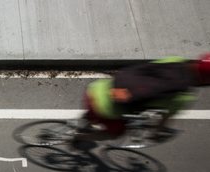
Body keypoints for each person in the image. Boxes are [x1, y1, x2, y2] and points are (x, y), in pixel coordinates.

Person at [72, 53, 210, 148]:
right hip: (104, 109)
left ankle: (87, 119)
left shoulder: (176, 61)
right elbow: (164, 119)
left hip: (96, 88)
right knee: (114, 134)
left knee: (93, 114)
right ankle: (80, 137)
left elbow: (147, 71)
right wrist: (156, 133)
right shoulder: (183, 95)